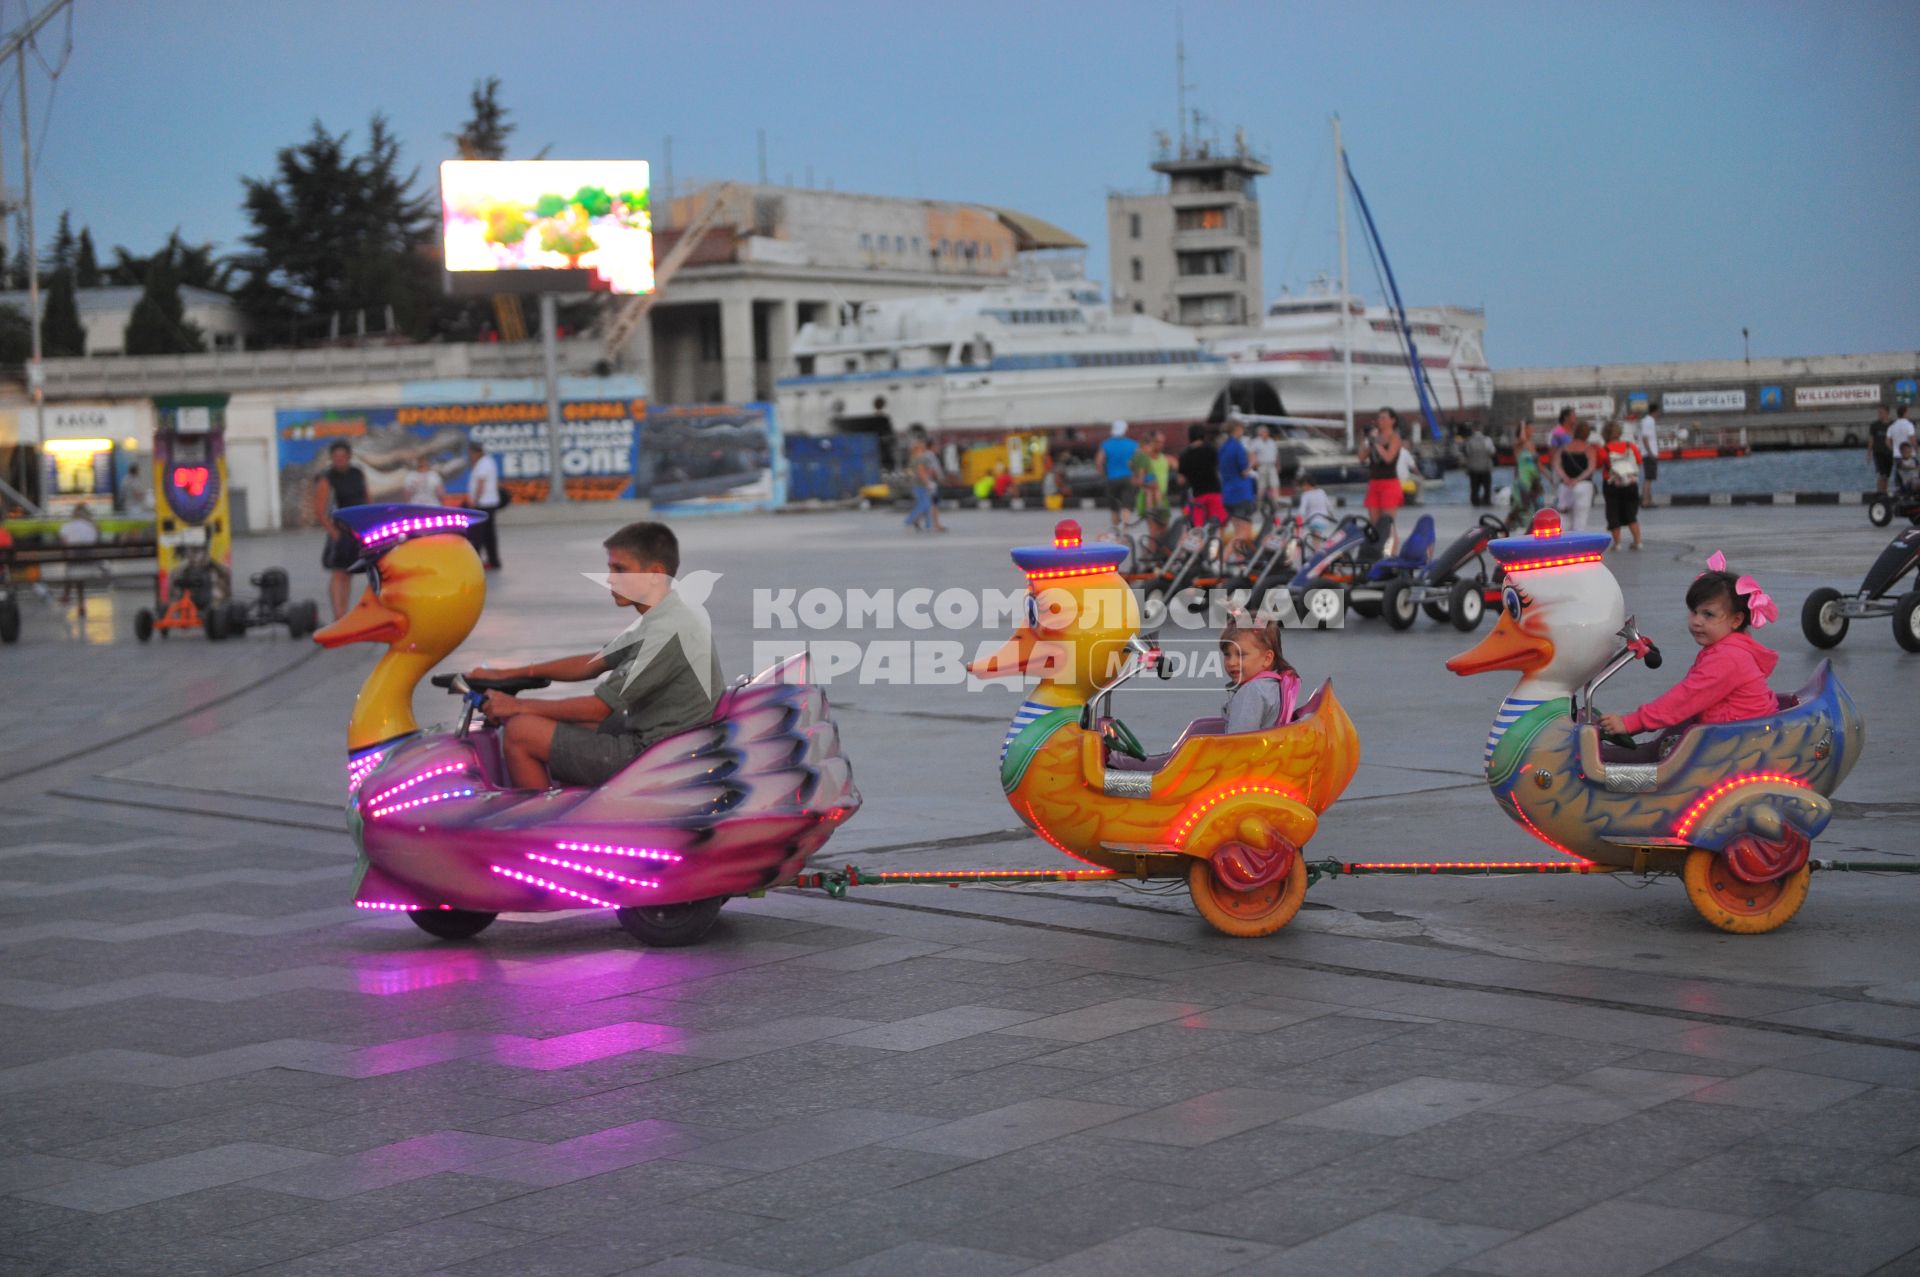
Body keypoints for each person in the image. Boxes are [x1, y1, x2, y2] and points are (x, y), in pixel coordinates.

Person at [468, 521, 724, 790]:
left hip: (657, 756)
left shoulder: (667, 632)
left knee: (521, 732)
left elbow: (599, 709)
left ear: (655, 574)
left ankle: (543, 825)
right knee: (556, 720)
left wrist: (517, 706)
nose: (611, 578)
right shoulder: (667, 616)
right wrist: (506, 674)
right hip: (663, 742)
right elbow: (592, 663)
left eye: (620, 569)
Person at [1600, 552, 1778, 738]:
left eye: (1708, 614)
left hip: (1736, 741)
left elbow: (1686, 698)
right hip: (1736, 732)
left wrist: (1631, 723)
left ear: (1736, 620)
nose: (1697, 621)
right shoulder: (1729, 649)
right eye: (1694, 612)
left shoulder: (1728, 657)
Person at [313, 441, 368, 620]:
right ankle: (338, 614)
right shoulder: (327, 478)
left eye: (343, 456)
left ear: (349, 457)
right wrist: (333, 533)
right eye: (336, 457)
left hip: (357, 529)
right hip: (340, 529)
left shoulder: (357, 473)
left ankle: (345, 613)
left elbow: (367, 498)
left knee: (349, 573)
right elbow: (320, 510)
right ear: (331, 458)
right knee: (338, 573)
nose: (340, 460)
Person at [1219, 614, 1300, 734]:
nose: (1231, 662)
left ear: (1267, 659)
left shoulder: (1251, 691)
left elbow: (1237, 741)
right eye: (1227, 654)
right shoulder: (1272, 684)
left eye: (1241, 655)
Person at [1600, 420, 1644, 551]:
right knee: (1631, 513)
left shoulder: (1604, 449)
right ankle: (1637, 541)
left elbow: (1599, 464)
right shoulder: (1630, 446)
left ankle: (1617, 543)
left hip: (1611, 483)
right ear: (1619, 432)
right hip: (1630, 483)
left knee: (1612, 512)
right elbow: (1639, 461)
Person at [1359, 408, 1404, 533]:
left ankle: (1391, 551)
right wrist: (1365, 439)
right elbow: (1362, 457)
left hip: (1389, 483)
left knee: (1387, 524)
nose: (1380, 421)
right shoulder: (1375, 437)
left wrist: (1376, 443)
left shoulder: (1394, 438)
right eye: (1379, 418)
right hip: (1374, 483)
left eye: (1384, 418)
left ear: (1392, 420)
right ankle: (1378, 550)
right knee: (1374, 523)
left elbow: (1388, 458)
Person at [1217, 417, 1258, 553]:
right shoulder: (1237, 447)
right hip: (1241, 493)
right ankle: (1224, 558)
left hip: (1227, 494)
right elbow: (1244, 472)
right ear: (1237, 430)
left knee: (1237, 529)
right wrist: (1252, 461)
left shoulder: (1223, 448)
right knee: (1244, 532)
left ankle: (1240, 561)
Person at [1554, 420, 1600, 532]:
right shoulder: (1589, 449)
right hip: (1583, 486)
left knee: (1564, 518)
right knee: (1580, 519)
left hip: (1565, 486)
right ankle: (1577, 546)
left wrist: (1566, 478)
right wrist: (1577, 480)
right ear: (1587, 434)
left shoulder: (1564, 448)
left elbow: (1556, 465)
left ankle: (1563, 544)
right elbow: (1591, 468)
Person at [1177, 423, 1224, 527]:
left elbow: (1181, 480)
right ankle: (1217, 542)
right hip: (1214, 493)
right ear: (1204, 435)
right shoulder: (1211, 450)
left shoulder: (1184, 455)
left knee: (1198, 527)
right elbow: (1219, 468)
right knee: (1218, 524)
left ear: (1190, 436)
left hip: (1198, 495)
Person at [465, 442, 503, 569]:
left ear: (476, 453)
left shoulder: (483, 464)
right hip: (488, 502)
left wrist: (475, 500)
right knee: (488, 533)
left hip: (483, 504)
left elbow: (481, 483)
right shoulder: (487, 462)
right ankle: (493, 560)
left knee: (479, 534)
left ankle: (476, 560)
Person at [57, 503, 102, 608]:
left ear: (73, 514)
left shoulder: (67, 526)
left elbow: (63, 542)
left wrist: (67, 553)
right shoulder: (92, 526)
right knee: (76, 570)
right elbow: (94, 541)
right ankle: (76, 599)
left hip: (73, 558)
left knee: (72, 566)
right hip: (89, 558)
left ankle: (67, 595)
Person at [1096, 420, 1139, 530]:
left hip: (1112, 479)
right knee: (1127, 506)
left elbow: (1099, 461)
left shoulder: (1106, 444)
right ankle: (1124, 531)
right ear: (1125, 430)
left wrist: (1103, 475)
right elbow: (1138, 461)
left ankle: (1115, 531)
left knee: (1114, 508)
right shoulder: (1133, 444)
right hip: (1128, 478)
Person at [1248, 422, 1281, 505]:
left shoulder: (1272, 442)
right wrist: (1254, 464)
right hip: (1262, 465)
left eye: (1266, 432)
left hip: (1271, 465)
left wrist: (1278, 465)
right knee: (1261, 486)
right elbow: (1251, 453)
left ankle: (1276, 502)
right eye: (1263, 432)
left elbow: (1276, 454)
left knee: (1274, 484)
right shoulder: (1255, 442)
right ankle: (1259, 503)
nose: (1265, 433)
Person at [1463, 424, 1495, 507]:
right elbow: (1492, 452)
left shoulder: (1469, 441)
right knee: (1487, 488)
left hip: (1473, 469)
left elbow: (1467, 453)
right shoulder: (1487, 440)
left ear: (1474, 431)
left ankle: (1475, 503)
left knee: (1474, 488)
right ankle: (1487, 502)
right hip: (1485, 468)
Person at [1868, 405, 1895, 496]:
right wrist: (1869, 453)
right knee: (1882, 474)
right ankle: (1879, 493)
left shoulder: (1892, 425)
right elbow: (1871, 439)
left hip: (1889, 453)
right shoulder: (1874, 425)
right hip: (1878, 453)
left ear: (1887, 413)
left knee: (1887, 475)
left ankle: (1884, 493)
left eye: (1881, 412)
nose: (1879, 414)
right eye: (1878, 413)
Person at [1637, 405, 1661, 504]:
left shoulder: (1647, 421)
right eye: (1659, 412)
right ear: (1655, 411)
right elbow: (1645, 438)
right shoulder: (1649, 422)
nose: (1659, 414)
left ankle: (1648, 499)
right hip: (1649, 453)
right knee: (1648, 478)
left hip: (1648, 453)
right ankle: (1646, 501)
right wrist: (1650, 452)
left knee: (1649, 478)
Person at [1888, 406, 1917, 478]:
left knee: (1899, 474)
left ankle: (1899, 487)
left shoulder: (1892, 426)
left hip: (1897, 454)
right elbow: (1912, 439)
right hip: (1909, 454)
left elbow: (1887, 441)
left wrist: (1893, 449)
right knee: (1912, 474)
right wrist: (1916, 449)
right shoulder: (1909, 425)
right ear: (1905, 413)